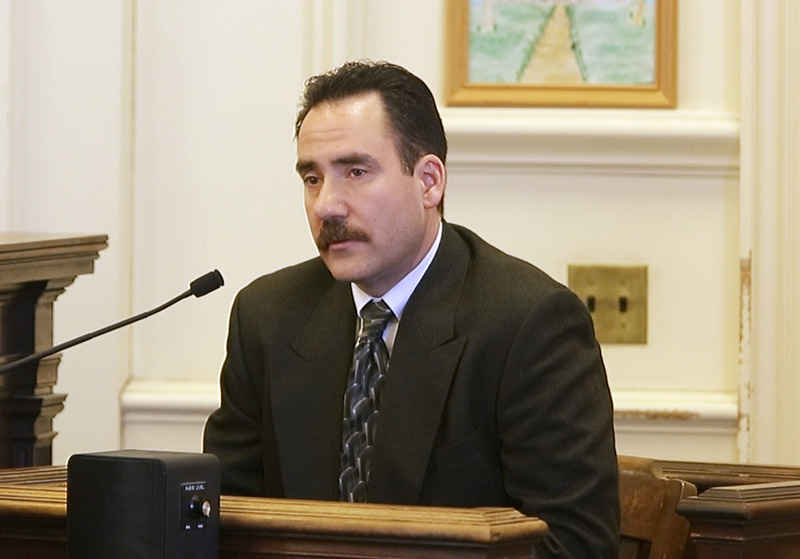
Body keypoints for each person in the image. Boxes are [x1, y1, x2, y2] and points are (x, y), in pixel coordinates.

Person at [203, 60, 619, 558]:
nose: (326, 205)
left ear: (429, 182)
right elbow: (220, 520)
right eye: (312, 178)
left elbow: (576, 544)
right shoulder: (267, 317)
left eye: (355, 172)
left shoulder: (529, 323)